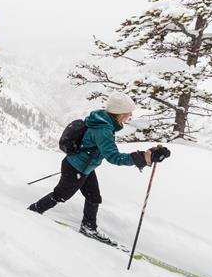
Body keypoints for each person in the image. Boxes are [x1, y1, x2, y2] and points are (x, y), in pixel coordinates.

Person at [27, 92, 170, 243]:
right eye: (128, 112)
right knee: (60, 196)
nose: (130, 115)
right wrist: (144, 157)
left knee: (94, 197)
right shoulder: (103, 130)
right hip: (76, 169)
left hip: (83, 168)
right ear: (119, 113)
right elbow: (114, 157)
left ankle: (88, 227)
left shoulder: (103, 120)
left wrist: (146, 155)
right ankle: (34, 210)